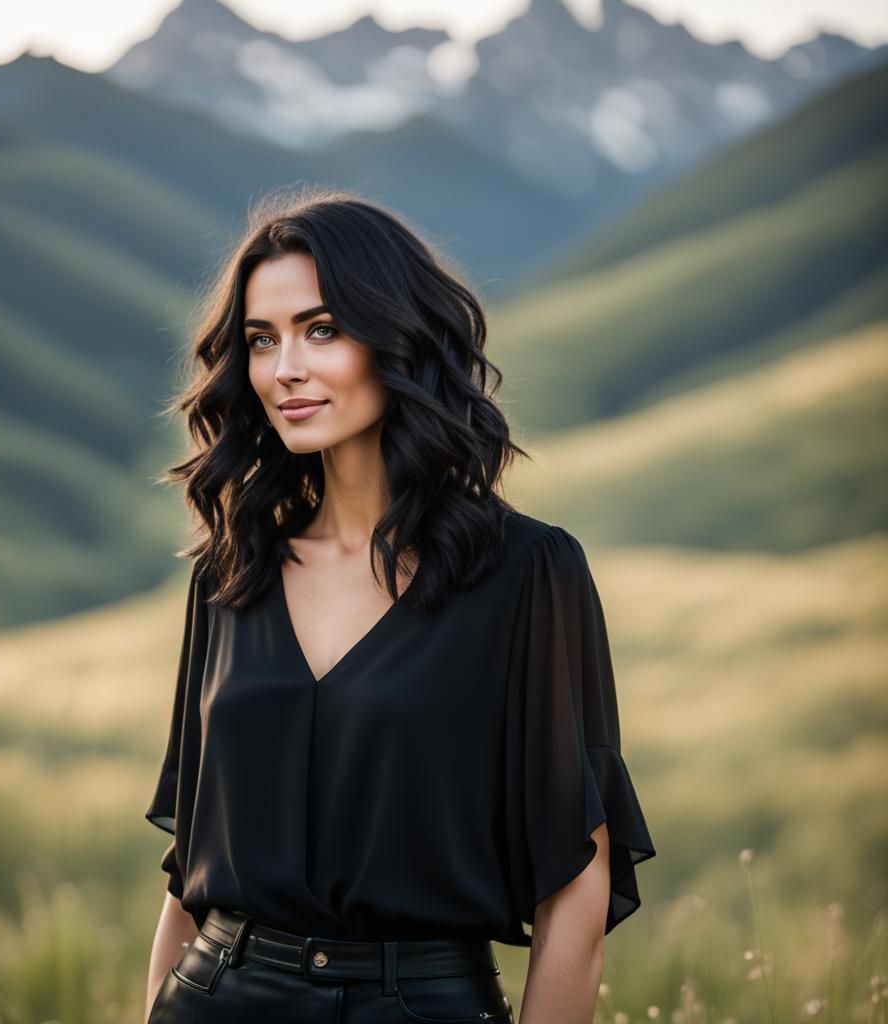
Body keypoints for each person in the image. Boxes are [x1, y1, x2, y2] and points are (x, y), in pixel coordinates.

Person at [142, 185, 656, 1024]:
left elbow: (575, 889)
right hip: (216, 996)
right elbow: (190, 879)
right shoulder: (230, 575)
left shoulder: (528, 574)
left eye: (321, 330)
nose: (284, 368)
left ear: (397, 338)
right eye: (262, 340)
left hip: (420, 1004)